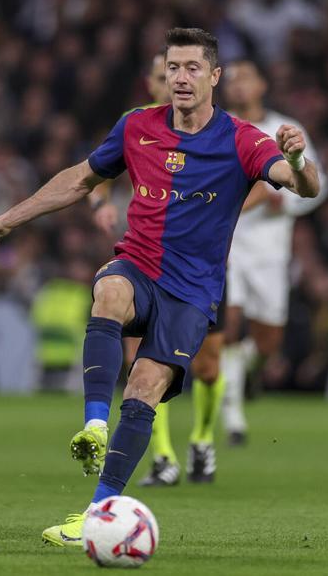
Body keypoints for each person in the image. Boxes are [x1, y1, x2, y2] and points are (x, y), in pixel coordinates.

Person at [0, 27, 320, 546]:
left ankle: (96, 514)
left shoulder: (242, 139)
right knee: (108, 292)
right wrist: (6, 220)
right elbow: (79, 179)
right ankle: (94, 425)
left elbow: (302, 186)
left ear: (215, 76)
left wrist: (300, 161)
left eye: (193, 68)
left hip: (192, 292)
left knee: (146, 387)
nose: (181, 77)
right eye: (173, 67)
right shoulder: (136, 125)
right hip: (140, 266)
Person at [91, 52, 229, 487]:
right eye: (162, 73)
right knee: (140, 364)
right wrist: (99, 204)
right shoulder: (137, 125)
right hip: (146, 261)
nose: (167, 81)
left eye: (184, 71)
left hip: (199, 270)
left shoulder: (215, 130)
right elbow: (97, 173)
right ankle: (162, 455)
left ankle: (202, 437)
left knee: (208, 367)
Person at [219, 57, 325, 446]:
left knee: (268, 343)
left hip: (269, 251)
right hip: (227, 247)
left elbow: (318, 186)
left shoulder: (284, 129)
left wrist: (288, 201)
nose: (238, 85)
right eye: (232, 79)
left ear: (262, 85)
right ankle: (233, 418)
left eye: (245, 77)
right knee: (228, 325)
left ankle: (245, 373)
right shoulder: (218, 128)